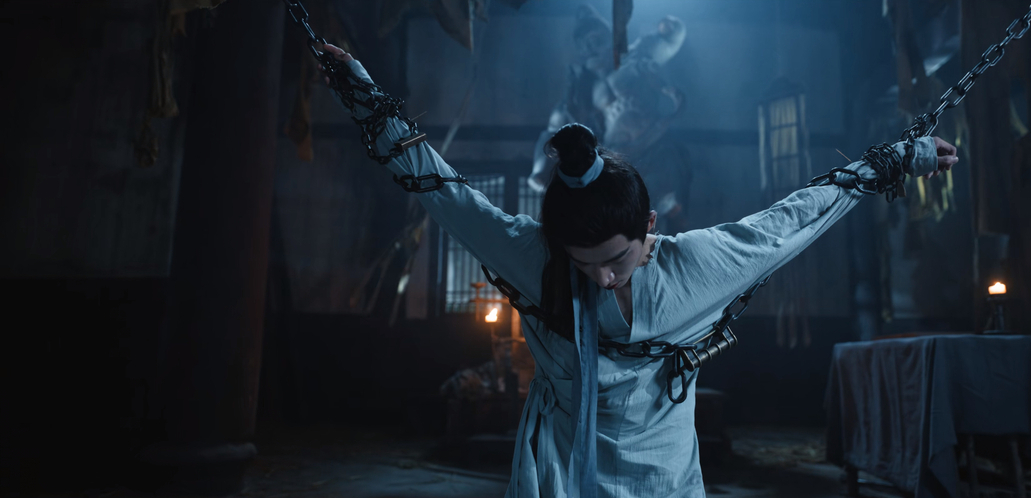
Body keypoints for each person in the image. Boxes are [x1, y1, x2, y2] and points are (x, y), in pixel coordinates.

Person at [318, 43, 958, 498]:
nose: (601, 278)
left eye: (616, 260)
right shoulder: (535, 257)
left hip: (662, 477)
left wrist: (904, 156)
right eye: (584, 264)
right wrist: (361, 90)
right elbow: (444, 191)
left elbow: (794, 217)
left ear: (649, 227)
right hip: (560, 472)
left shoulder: (697, 266)